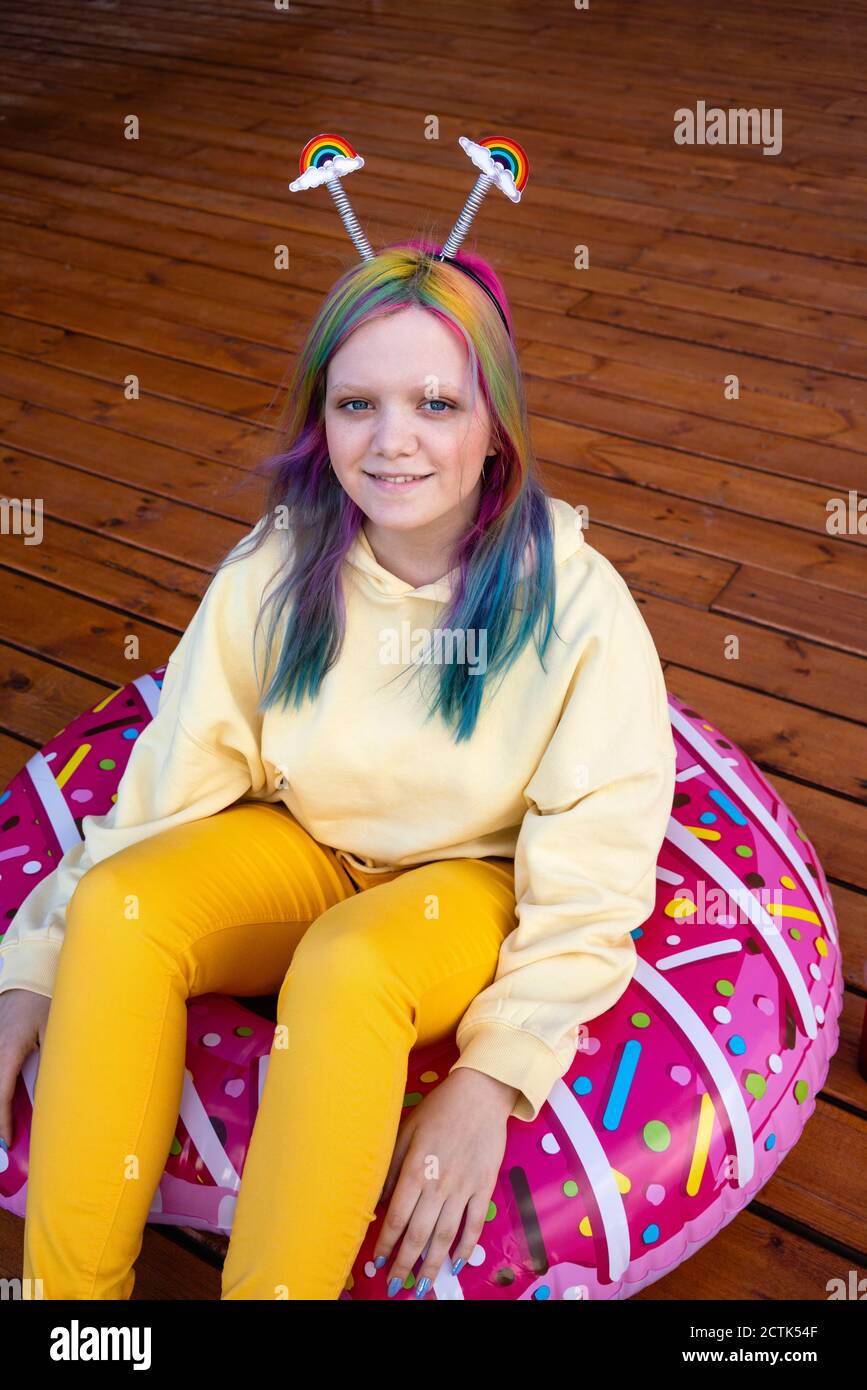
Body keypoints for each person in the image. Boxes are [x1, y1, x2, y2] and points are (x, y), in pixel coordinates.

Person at [0, 240, 676, 1300]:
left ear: (495, 423)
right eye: (357, 404)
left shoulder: (579, 606)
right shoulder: (274, 568)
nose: (393, 441)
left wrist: (496, 1073)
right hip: (303, 847)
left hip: (465, 884)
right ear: (323, 418)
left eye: (437, 405)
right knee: (124, 904)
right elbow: (166, 788)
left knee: (350, 964)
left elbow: (595, 867)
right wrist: (38, 965)